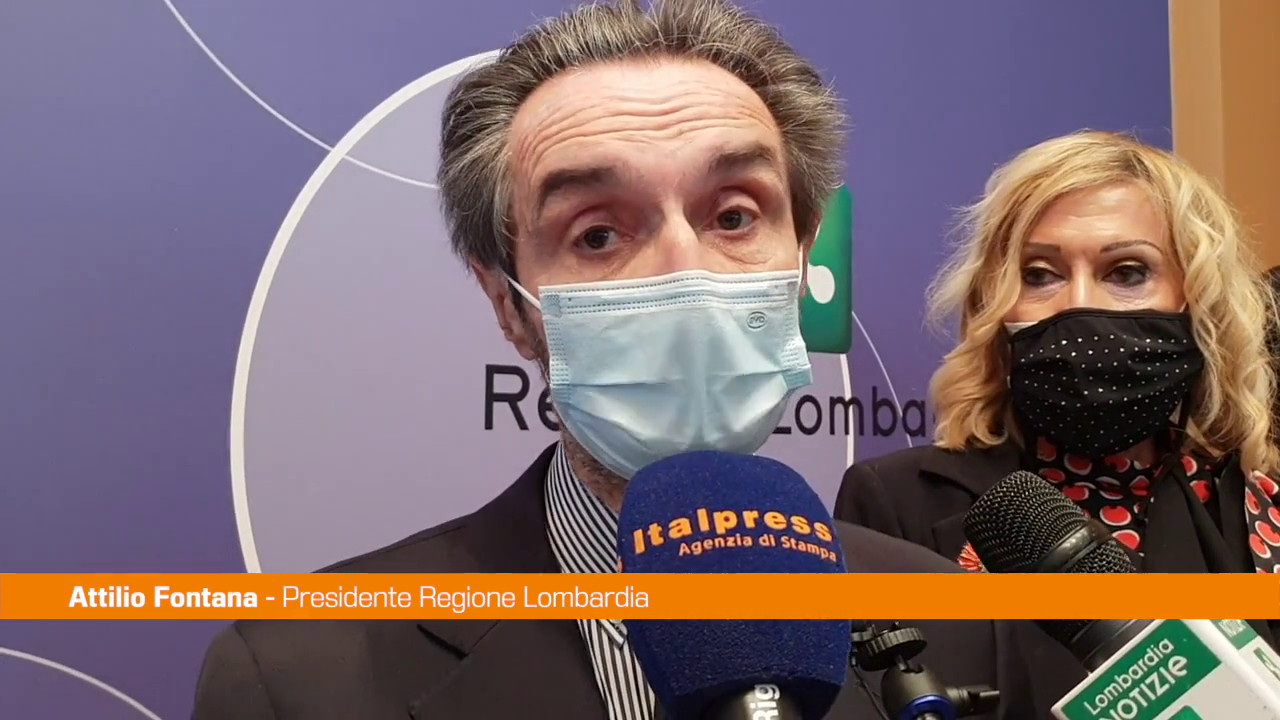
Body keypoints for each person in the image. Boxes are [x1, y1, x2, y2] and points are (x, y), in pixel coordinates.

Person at [191, 2, 1062, 718]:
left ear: (802, 266)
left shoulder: (957, 622)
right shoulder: (298, 673)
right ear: (509, 304)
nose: (684, 270)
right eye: (598, 234)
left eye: (733, 216)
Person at [836, 131, 1280, 638]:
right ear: (995, 303)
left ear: (1197, 300)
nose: (1078, 304)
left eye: (1127, 273)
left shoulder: (1260, 505)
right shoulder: (896, 502)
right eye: (1040, 275)